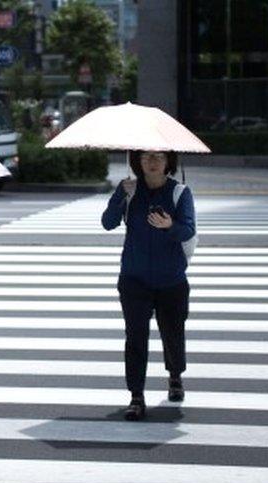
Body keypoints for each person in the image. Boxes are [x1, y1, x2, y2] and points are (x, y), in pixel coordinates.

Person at [101, 150, 196, 421]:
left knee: (173, 333)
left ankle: (175, 375)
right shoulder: (129, 189)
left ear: (168, 162)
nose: (151, 162)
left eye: (158, 156)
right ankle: (136, 396)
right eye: (145, 157)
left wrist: (170, 225)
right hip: (134, 278)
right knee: (135, 338)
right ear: (137, 162)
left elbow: (188, 229)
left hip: (172, 279)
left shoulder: (180, 193)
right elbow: (108, 223)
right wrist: (121, 195)